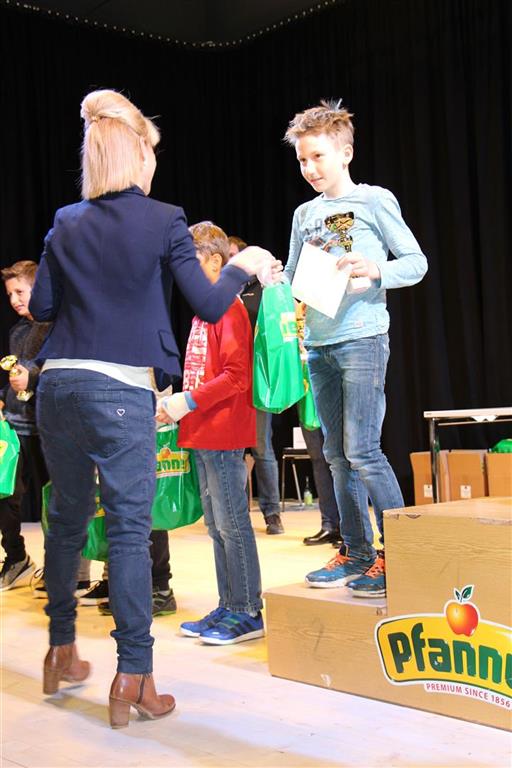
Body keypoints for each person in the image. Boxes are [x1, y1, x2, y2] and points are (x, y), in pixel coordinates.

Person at [29, 89, 276, 727]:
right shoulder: (164, 218)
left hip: (58, 388)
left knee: (66, 524)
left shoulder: (65, 220)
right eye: (152, 152)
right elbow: (209, 303)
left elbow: (43, 306)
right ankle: (134, 676)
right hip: (119, 391)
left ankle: (61, 650)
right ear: (138, 154)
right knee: (129, 533)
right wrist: (243, 264)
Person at [284, 100, 427, 597]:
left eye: (318, 156)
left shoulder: (373, 201)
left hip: (363, 338)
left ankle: (400, 554)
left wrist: (376, 270)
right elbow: (293, 275)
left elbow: (416, 262)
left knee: (363, 450)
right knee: (336, 454)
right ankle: (357, 551)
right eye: (302, 160)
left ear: (345, 153)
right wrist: (278, 282)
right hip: (319, 344)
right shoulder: (304, 214)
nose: (310, 168)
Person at [160, 222, 264, 645]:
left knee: (232, 524)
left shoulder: (229, 309)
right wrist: (179, 407)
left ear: (217, 261)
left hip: (223, 433)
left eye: (192, 262)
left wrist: (187, 401)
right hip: (202, 432)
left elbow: (236, 376)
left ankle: (248, 610)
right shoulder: (204, 314)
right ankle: (229, 603)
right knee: (217, 527)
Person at [228, 235, 284, 535]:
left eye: (234, 254)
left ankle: (272, 514)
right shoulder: (221, 292)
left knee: (261, 447)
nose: (231, 260)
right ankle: (235, 514)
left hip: (257, 380)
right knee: (232, 450)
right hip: (229, 381)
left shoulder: (263, 289)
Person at [0, 261, 49, 591]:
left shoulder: (55, 326)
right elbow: (15, 377)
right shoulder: (17, 331)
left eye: (20, 291)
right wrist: (3, 397)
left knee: (52, 498)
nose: (15, 300)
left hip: (46, 428)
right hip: (16, 427)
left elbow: (55, 372)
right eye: (9, 294)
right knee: (6, 495)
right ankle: (16, 557)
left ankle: (57, 564)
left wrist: (32, 378)